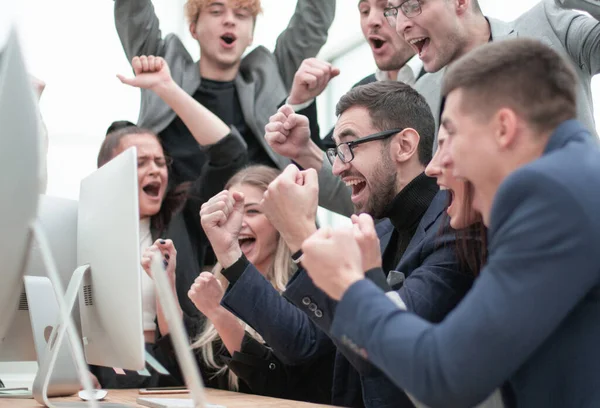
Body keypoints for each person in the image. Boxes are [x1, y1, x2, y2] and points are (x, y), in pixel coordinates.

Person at [302, 38, 600, 408]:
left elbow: (444, 376)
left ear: (503, 128)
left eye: (448, 137)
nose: (434, 164)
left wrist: (348, 285)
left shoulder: (546, 193)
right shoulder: (574, 177)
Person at [215, 81, 477, 407]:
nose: (337, 168)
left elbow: (385, 352)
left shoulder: (458, 230)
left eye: (349, 146)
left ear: (405, 145)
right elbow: (305, 342)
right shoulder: (378, 232)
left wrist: (301, 235)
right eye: (335, 152)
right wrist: (231, 255)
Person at [91, 55, 248, 388]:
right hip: (105, 369)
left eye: (160, 162)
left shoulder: (182, 216)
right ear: (107, 172)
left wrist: (167, 89)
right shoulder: (84, 230)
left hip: (175, 364)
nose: (155, 170)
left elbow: (231, 153)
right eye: (140, 161)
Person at [148, 165, 333, 402]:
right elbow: (186, 368)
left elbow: (283, 388)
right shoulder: (216, 287)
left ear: (280, 221)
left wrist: (220, 315)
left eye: (252, 211)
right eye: (229, 213)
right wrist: (165, 281)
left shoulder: (306, 291)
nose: (238, 222)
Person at [113, 0, 336, 184]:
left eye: (241, 14)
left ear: (251, 35)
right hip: (176, 225)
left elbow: (312, 22)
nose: (229, 20)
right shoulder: (162, 69)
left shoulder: (272, 74)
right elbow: (133, 11)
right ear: (193, 28)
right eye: (216, 11)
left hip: (261, 222)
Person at [384, 0, 600, 135]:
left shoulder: (548, 24)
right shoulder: (422, 99)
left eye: (412, 5)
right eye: (393, 12)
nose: (401, 26)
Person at [285, 0, 420, 149]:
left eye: (387, 7)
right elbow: (329, 163)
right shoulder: (363, 91)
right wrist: (302, 103)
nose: (372, 21)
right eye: (364, 11)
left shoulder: (444, 79)